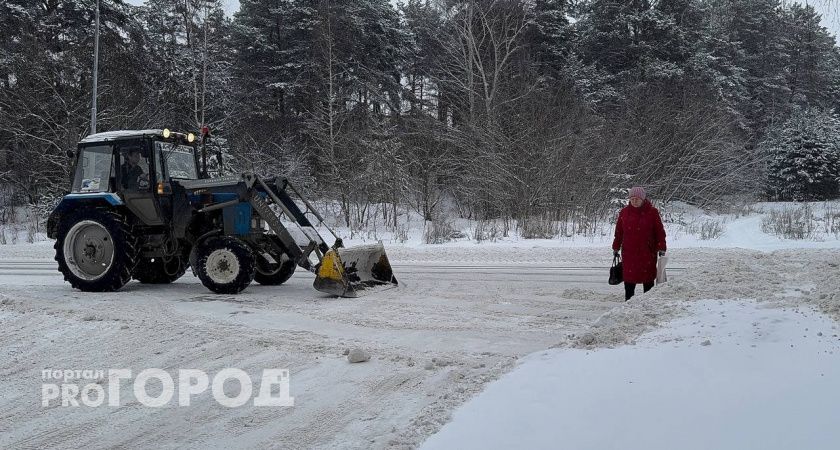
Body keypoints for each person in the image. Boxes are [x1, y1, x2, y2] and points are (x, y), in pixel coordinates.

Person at [612, 186, 667, 301]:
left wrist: (661, 247)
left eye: (637, 198)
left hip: (647, 252)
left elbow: (659, 231)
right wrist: (616, 247)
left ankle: (647, 303)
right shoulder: (624, 213)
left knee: (648, 280)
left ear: (643, 199)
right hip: (629, 252)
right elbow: (619, 232)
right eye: (632, 199)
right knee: (629, 280)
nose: (634, 201)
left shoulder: (652, 212)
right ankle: (628, 303)